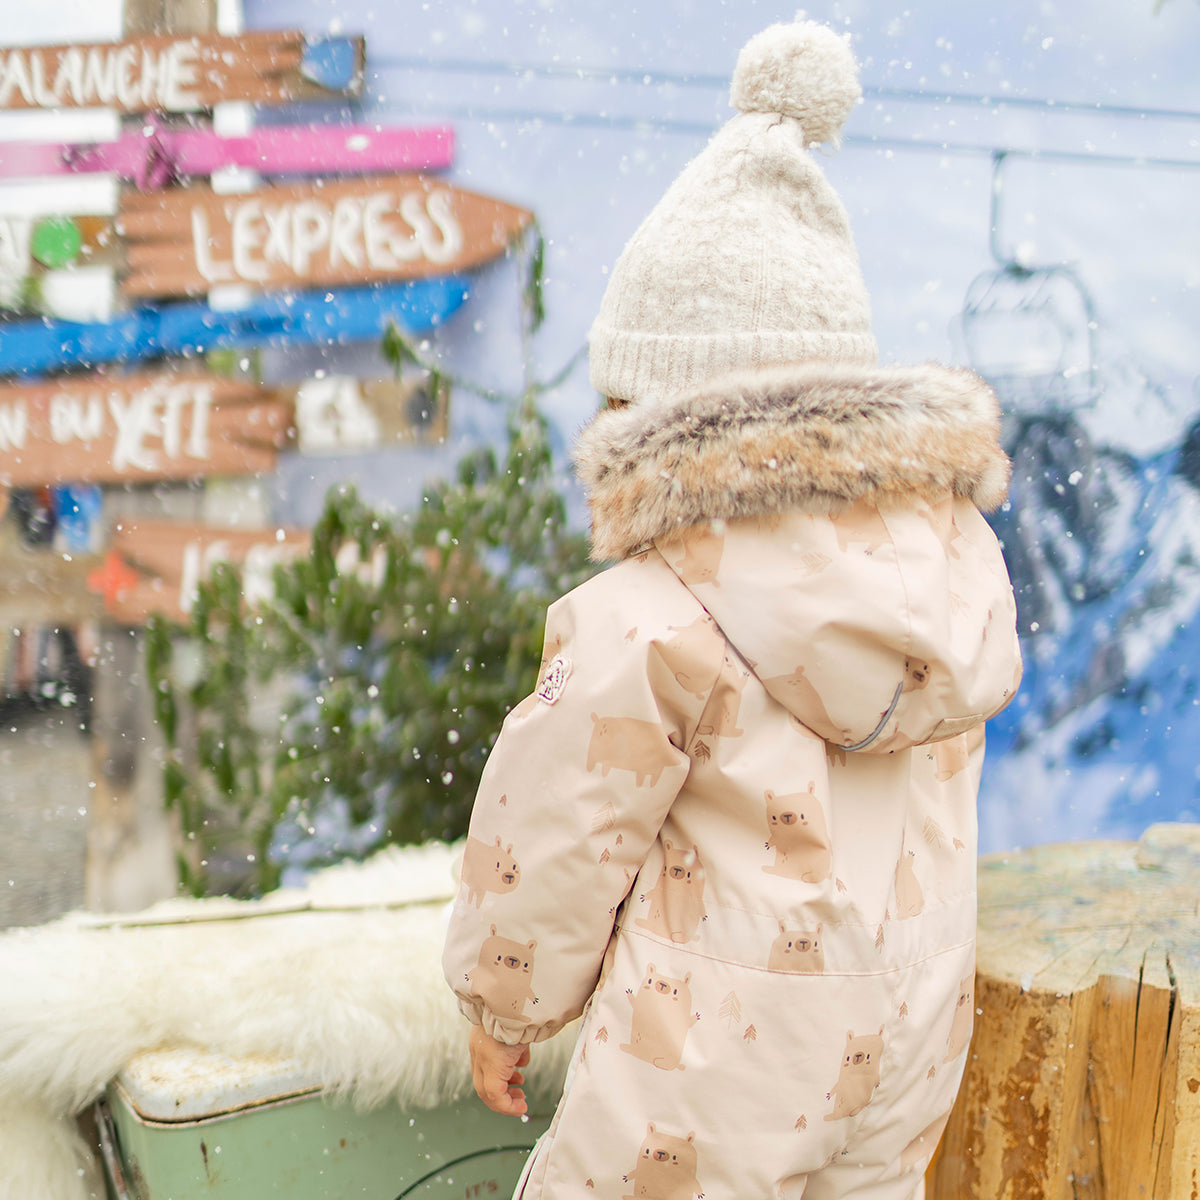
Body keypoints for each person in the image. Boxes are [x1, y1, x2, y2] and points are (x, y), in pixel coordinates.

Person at [442, 17, 1022, 1200]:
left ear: (652, 413)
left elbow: (554, 832)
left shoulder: (645, 617)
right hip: (902, 1049)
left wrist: (505, 1002)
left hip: (709, 1076)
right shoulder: (948, 571)